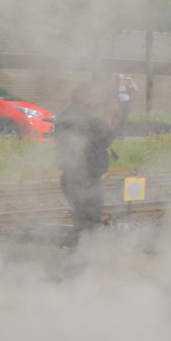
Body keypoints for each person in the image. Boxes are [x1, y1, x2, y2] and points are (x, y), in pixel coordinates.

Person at [55, 83, 116, 245]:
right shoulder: (75, 119)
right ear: (82, 98)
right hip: (82, 177)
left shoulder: (73, 117)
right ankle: (83, 262)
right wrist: (109, 116)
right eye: (93, 97)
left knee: (86, 223)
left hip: (85, 177)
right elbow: (104, 139)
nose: (97, 101)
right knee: (88, 225)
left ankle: (83, 259)